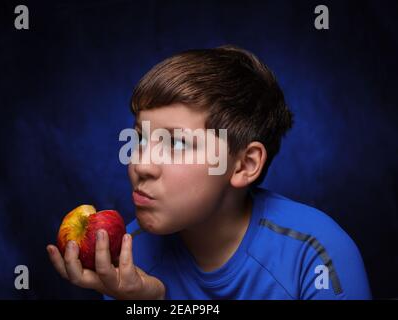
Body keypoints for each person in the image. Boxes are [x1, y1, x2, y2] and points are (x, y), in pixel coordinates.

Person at [47, 45, 371, 299]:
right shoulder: (131, 252)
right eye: (140, 138)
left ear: (244, 164)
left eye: (176, 144)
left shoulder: (316, 254)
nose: (140, 164)